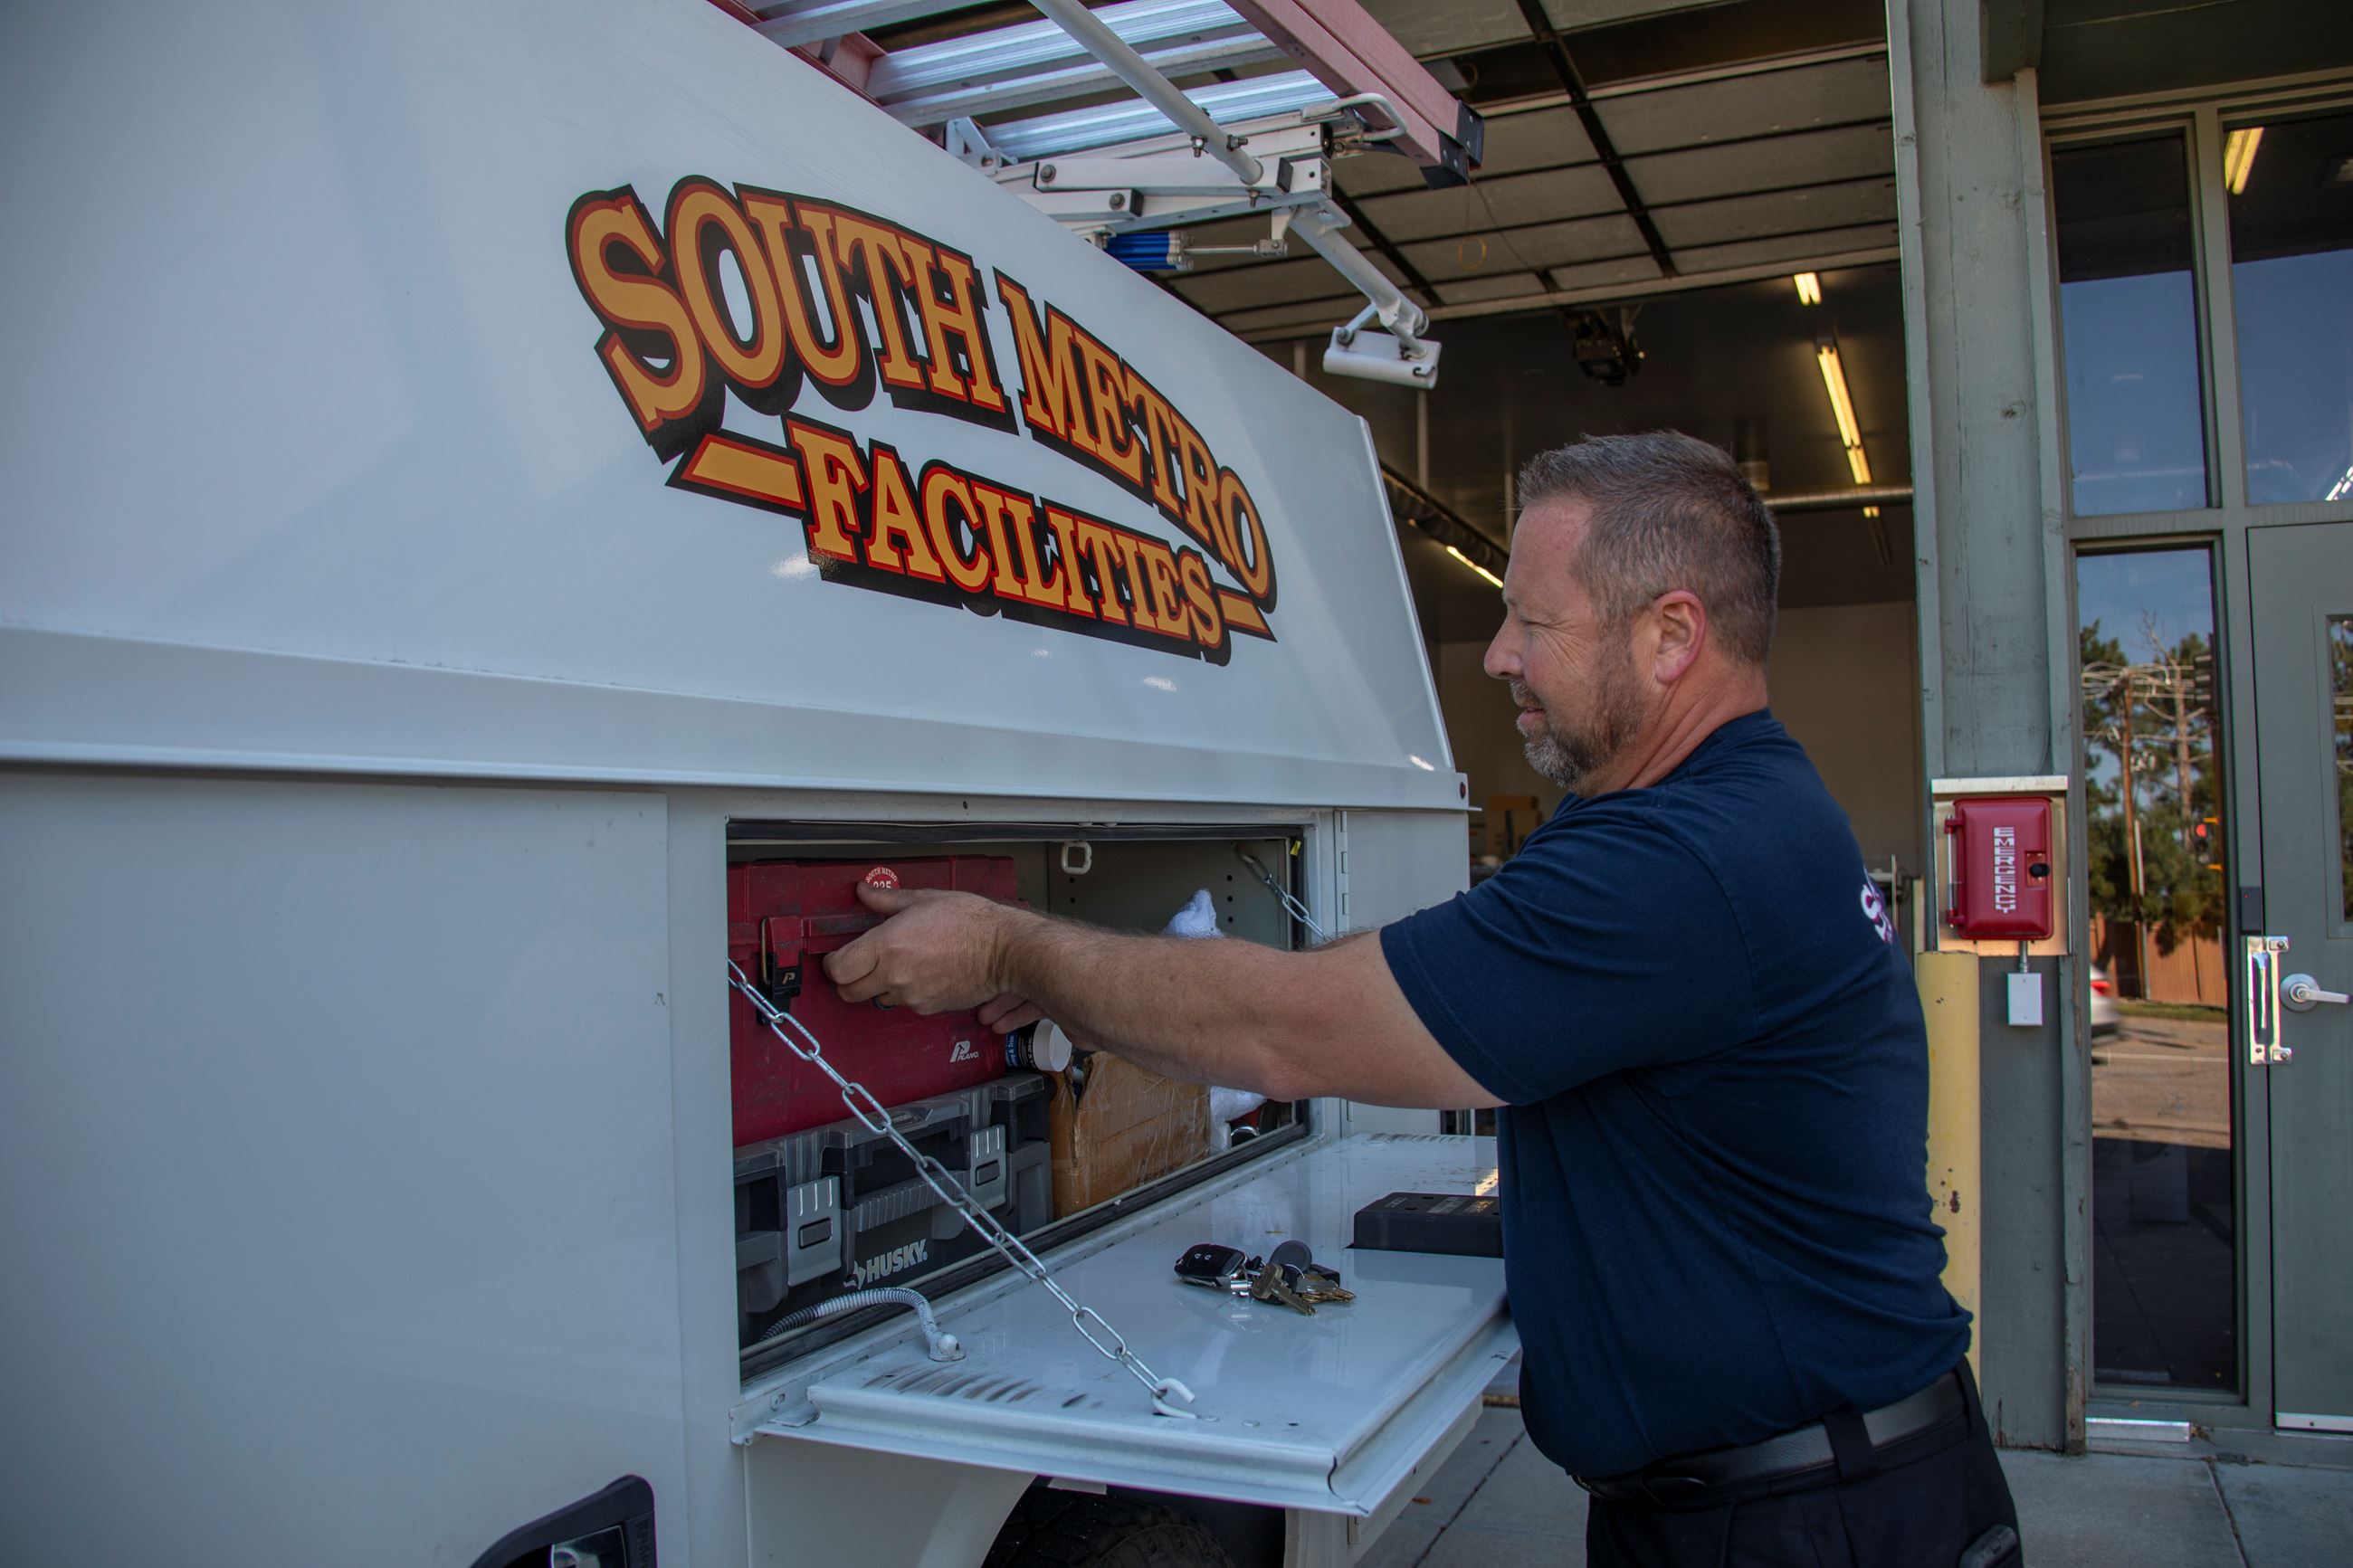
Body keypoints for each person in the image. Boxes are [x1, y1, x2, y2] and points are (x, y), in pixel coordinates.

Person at [822, 432, 2022, 1568]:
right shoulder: (1731, 811)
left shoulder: (1684, 859)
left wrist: (1011, 950)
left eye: (1531, 619)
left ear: (1671, 636)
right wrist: (1093, 997)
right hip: (1791, 1495)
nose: (1499, 652)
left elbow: (1288, 1030)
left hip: (1808, 1525)